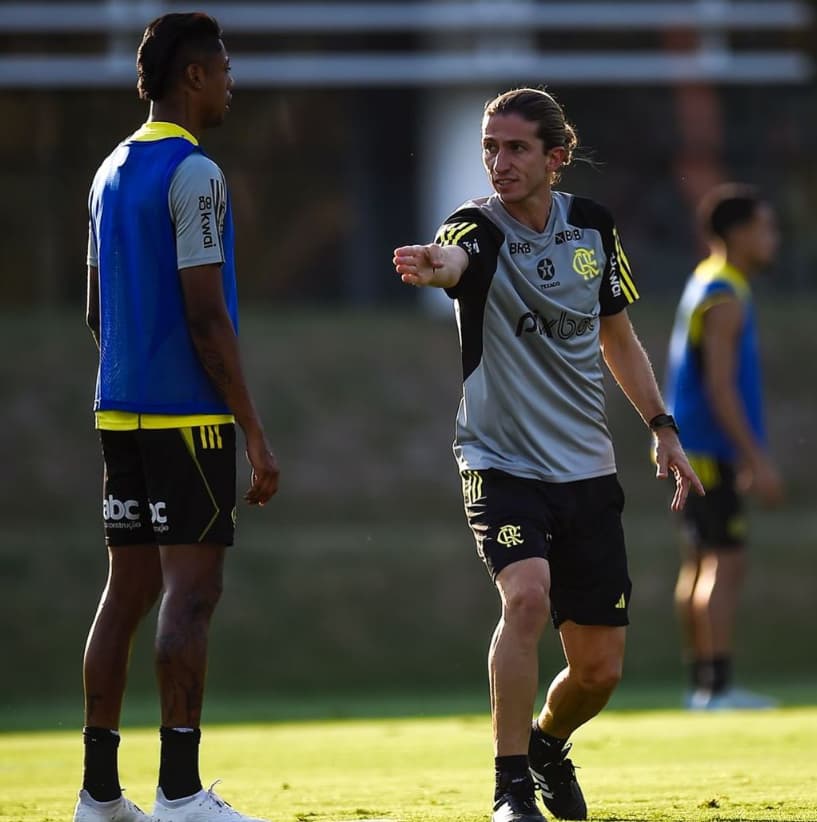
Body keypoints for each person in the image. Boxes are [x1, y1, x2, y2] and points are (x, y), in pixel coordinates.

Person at [393, 87, 703, 822]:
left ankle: (545, 743)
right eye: (489, 148)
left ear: (554, 157)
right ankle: (508, 791)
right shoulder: (476, 228)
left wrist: (662, 427)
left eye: (516, 148)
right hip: (499, 462)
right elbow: (455, 260)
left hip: (586, 471)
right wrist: (432, 265)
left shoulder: (592, 229)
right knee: (526, 597)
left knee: (597, 672)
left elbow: (616, 337)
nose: (499, 161)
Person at [75, 13, 279, 822]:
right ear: (193, 77)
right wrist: (252, 431)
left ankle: (98, 795)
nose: (231, 84)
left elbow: (96, 307)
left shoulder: (107, 169)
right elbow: (206, 316)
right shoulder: (195, 174)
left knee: (124, 593)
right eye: (224, 69)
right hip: (185, 417)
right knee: (189, 597)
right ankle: (181, 793)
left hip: (117, 411)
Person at [664, 184, 784, 711]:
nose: (772, 239)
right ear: (738, 233)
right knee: (724, 564)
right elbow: (719, 387)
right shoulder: (725, 294)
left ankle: (703, 685)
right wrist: (756, 458)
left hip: (692, 449)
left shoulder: (707, 280)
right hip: (708, 452)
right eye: (765, 228)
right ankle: (716, 688)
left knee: (699, 564)